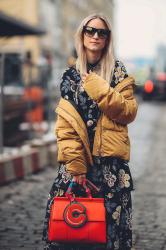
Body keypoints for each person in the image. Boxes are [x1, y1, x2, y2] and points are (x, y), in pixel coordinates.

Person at [42, 13, 138, 250]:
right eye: (90, 30)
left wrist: (99, 88)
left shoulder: (118, 74)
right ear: (82, 35)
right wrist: (76, 166)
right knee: (70, 230)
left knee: (107, 236)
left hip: (111, 170)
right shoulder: (70, 77)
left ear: (107, 39)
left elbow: (128, 112)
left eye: (102, 32)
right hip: (78, 164)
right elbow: (66, 126)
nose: (95, 36)